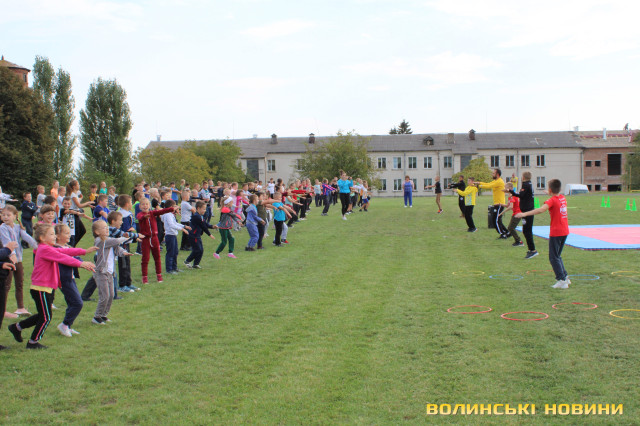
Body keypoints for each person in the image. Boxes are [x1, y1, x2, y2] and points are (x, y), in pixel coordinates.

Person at [7, 224, 95, 349]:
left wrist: (84, 251)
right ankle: (33, 342)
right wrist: (81, 264)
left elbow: (64, 251)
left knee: (42, 315)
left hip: (45, 289)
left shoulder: (47, 248)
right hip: (40, 289)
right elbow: (62, 257)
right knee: (46, 317)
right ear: (42, 238)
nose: (54, 236)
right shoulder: (44, 249)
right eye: (52, 234)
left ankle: (16, 327)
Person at [516, 179, 570, 289]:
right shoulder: (562, 198)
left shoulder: (551, 201)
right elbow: (555, 197)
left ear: (550, 190)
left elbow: (541, 210)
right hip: (564, 230)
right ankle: (565, 277)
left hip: (556, 232)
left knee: (553, 257)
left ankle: (561, 280)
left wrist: (524, 214)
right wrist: (549, 193)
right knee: (557, 256)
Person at [54, 224, 98, 337]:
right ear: (57, 236)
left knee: (72, 303)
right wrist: (82, 262)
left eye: (69, 233)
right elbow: (68, 259)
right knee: (78, 303)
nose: (69, 235)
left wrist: (86, 263)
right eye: (66, 233)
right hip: (63, 279)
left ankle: (67, 326)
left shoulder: (66, 247)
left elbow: (75, 256)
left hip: (70, 278)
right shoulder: (56, 249)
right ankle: (64, 325)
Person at [90, 220, 131, 325]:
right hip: (101, 272)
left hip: (110, 272)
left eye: (107, 227)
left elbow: (117, 248)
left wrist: (124, 252)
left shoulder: (108, 240)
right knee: (105, 296)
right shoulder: (99, 241)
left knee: (111, 295)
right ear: (97, 232)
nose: (107, 229)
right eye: (104, 227)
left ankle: (104, 314)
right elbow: (115, 241)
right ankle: (97, 317)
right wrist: (125, 237)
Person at [1, 205, 38, 317]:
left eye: (8, 215)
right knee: (6, 285)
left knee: (19, 283)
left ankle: (20, 307)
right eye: (3, 215)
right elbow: (6, 242)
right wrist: (12, 254)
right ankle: (3, 310)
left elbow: (27, 237)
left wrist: (38, 247)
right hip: (8, 260)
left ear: (15, 216)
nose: (5, 217)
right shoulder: (2, 228)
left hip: (19, 259)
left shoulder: (18, 227)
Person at [137, 198, 177, 284]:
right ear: (140, 206)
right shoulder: (140, 214)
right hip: (145, 239)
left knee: (157, 257)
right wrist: (144, 216)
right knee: (145, 258)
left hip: (154, 238)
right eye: (143, 204)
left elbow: (161, 211)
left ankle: (159, 275)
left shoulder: (152, 213)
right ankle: (144, 277)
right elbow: (140, 217)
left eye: (147, 204)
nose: (145, 206)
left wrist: (171, 209)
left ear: (149, 206)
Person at [507, 171, 537, 259]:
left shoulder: (526, 185)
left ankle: (533, 250)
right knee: (526, 231)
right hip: (527, 210)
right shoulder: (529, 184)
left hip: (527, 211)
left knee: (527, 231)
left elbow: (521, 195)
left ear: (523, 177)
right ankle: (531, 249)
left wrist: (511, 191)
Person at [477, 169, 508, 238]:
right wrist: (479, 183)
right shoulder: (496, 181)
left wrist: (479, 186)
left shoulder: (499, 182)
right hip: (497, 203)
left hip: (499, 204)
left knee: (495, 220)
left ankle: (503, 234)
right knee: (498, 220)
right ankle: (507, 232)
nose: (492, 174)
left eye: (493, 173)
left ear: (497, 174)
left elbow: (489, 186)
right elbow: (488, 184)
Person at [161, 200, 189, 274]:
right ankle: (169, 269)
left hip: (173, 235)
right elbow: (172, 225)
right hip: (169, 236)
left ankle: (174, 267)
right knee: (170, 252)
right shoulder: (168, 215)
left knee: (175, 252)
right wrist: (182, 229)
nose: (177, 207)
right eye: (175, 206)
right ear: (171, 207)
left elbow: (175, 223)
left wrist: (184, 226)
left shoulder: (171, 214)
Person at [184, 201, 215, 268]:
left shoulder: (200, 216)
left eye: (205, 209)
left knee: (201, 250)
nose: (205, 210)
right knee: (197, 250)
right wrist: (209, 234)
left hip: (197, 236)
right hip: (193, 236)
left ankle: (196, 264)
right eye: (203, 209)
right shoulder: (196, 216)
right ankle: (187, 261)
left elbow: (205, 224)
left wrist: (212, 226)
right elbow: (203, 226)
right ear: (198, 208)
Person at [499, 182, 523, 247]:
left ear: (510, 188)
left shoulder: (512, 196)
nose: (505, 189)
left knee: (511, 228)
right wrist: (500, 204)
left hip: (518, 213)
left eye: (506, 188)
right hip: (515, 213)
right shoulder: (510, 196)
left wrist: (502, 213)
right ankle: (518, 241)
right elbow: (508, 205)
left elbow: (510, 207)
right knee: (510, 228)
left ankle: (519, 241)